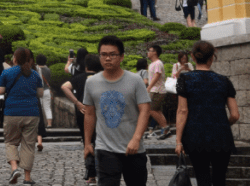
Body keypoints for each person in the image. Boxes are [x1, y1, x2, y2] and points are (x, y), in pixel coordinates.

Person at [83, 35, 151, 186]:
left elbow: (145, 110)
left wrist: (136, 138)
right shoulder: (91, 82)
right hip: (105, 148)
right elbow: (89, 113)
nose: (108, 58)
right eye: (104, 55)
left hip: (134, 148)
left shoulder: (135, 81)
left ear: (121, 57)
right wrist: (88, 143)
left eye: (112, 54)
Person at [175, 41, 238, 186]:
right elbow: (235, 115)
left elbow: (182, 110)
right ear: (212, 58)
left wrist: (178, 141)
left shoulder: (185, 79)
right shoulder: (224, 81)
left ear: (192, 56)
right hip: (221, 137)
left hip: (195, 135)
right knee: (220, 178)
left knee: (202, 176)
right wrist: (223, 124)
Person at [0, 48, 44, 185]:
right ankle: (27, 178)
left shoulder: (7, 72)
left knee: (11, 142)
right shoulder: (35, 74)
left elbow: (0, 90)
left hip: (12, 112)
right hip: (31, 113)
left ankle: (14, 168)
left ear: (15, 59)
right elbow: (40, 94)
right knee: (29, 145)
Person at [61, 54, 102, 186]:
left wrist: (77, 103)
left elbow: (64, 87)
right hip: (99, 113)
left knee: (87, 141)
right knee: (101, 141)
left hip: (83, 113)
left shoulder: (78, 78)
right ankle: (102, 171)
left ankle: (91, 174)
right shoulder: (102, 78)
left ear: (86, 66)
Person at [145, 44, 172, 139]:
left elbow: (157, 76)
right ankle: (166, 131)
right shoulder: (152, 64)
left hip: (158, 91)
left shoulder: (158, 63)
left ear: (155, 52)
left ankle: (165, 128)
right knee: (157, 111)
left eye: (150, 50)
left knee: (152, 110)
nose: (148, 52)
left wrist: (149, 87)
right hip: (155, 90)